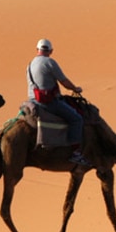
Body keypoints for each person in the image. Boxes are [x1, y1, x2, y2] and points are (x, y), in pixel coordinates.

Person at [27, 38, 90, 166]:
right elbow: (64, 82)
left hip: (32, 101)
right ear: (51, 51)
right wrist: (75, 88)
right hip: (47, 102)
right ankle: (76, 153)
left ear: (37, 50)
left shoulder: (29, 65)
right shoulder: (50, 62)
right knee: (76, 119)